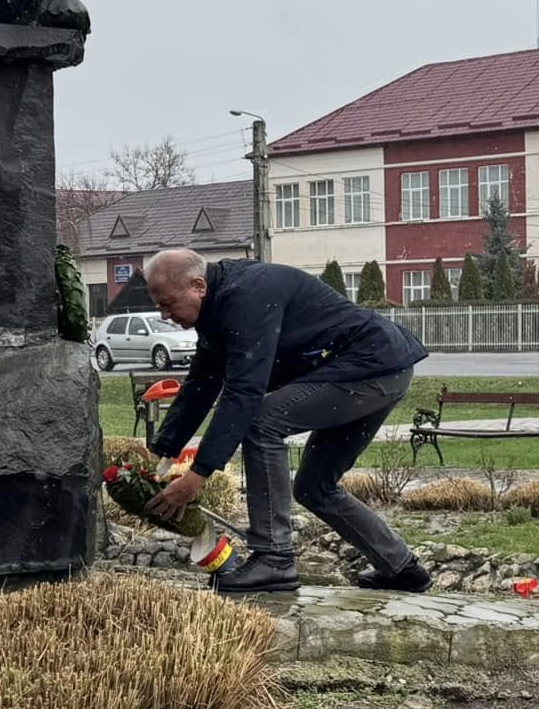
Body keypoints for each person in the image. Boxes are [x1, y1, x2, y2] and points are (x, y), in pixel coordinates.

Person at [142, 248, 432, 595]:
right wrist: (159, 452)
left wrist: (197, 477)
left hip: (371, 365)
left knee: (261, 423)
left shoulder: (244, 298)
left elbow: (242, 393)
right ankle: (402, 567)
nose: (165, 314)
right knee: (314, 486)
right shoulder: (218, 307)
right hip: (378, 366)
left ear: (198, 286)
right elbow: (201, 384)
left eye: (169, 304)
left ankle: (273, 558)